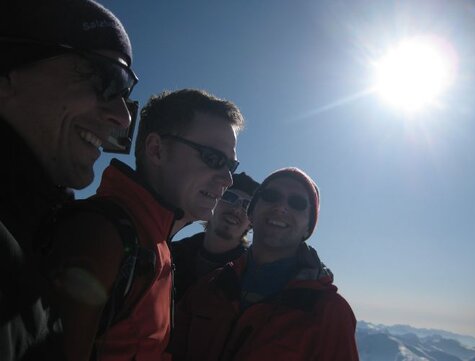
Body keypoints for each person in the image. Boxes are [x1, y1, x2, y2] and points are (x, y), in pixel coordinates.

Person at [42, 89, 244, 361]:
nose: (227, 179)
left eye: (231, 165)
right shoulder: (102, 236)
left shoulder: (157, 245)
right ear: (156, 150)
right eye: (214, 159)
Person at [0, 1, 136, 360]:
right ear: (7, 73)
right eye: (107, 79)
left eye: (127, 93)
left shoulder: (39, 236)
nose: (123, 118)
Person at [171, 167, 359, 361]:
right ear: (252, 213)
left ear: (308, 227)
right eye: (271, 196)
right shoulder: (210, 286)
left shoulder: (329, 313)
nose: (281, 207)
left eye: (297, 203)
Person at [172, 172, 259, 302]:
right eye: (229, 197)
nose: (236, 209)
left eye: (246, 206)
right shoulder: (172, 254)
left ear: (251, 223)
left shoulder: (251, 274)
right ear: (213, 203)